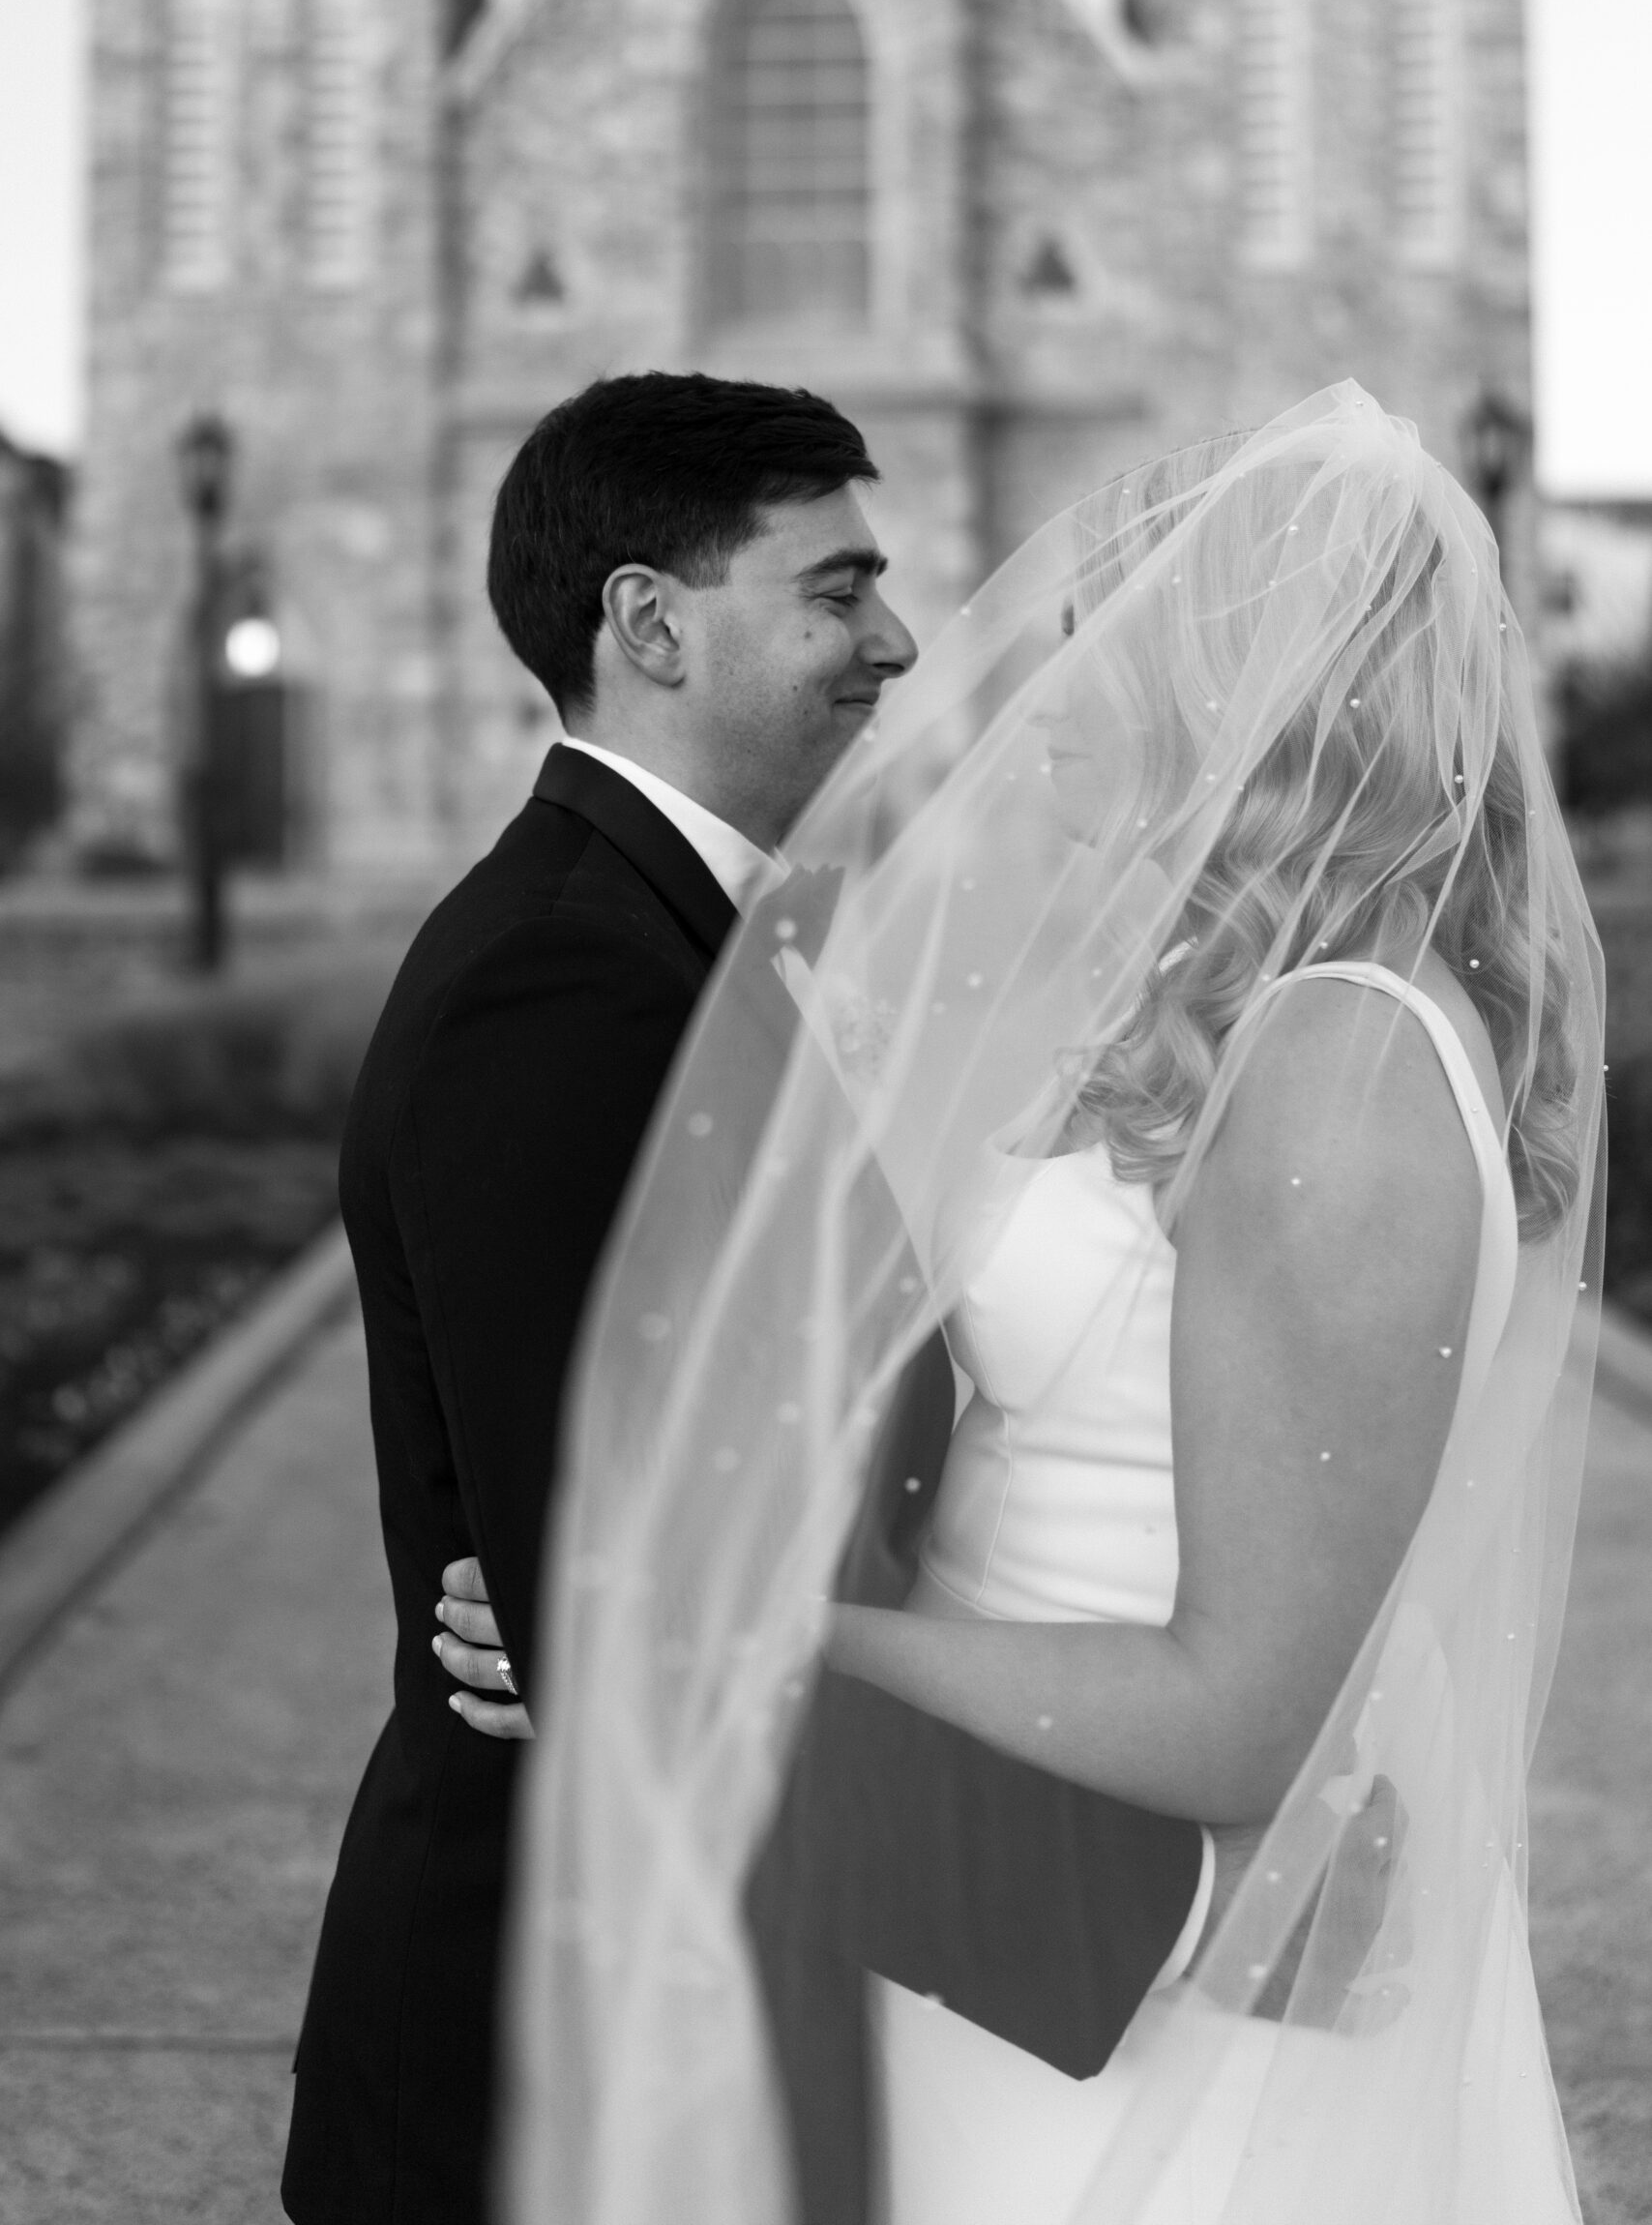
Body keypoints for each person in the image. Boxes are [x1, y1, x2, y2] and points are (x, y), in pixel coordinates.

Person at [502, 385, 1604, 2224]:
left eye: (1115, 638)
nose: (1048, 684)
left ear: (1266, 695)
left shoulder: (1342, 1066)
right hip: (1010, 1893)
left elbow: (1237, 1713)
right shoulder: (1233, 1007)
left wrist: (745, 1627)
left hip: (1162, 1941)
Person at [284, 371, 1225, 2225]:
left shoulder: (687, 933)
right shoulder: (562, 982)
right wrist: (1187, 1912)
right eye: (836, 590)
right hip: (538, 2060)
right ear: (650, 622)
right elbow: (616, 1646)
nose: (895, 639)